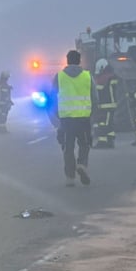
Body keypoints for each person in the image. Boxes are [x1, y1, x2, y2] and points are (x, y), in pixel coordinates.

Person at [52, 50, 94, 186]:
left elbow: (52, 99)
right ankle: (81, 164)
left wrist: (55, 120)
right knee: (85, 144)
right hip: (83, 120)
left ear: (67, 61)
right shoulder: (88, 77)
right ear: (79, 61)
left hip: (66, 120)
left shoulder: (59, 77)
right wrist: (93, 117)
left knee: (68, 148)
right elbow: (95, 98)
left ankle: (70, 177)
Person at [92, 58, 118, 148]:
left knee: (102, 123)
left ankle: (102, 142)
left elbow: (97, 92)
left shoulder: (103, 79)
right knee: (109, 123)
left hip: (104, 106)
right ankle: (110, 141)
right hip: (112, 105)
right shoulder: (112, 76)